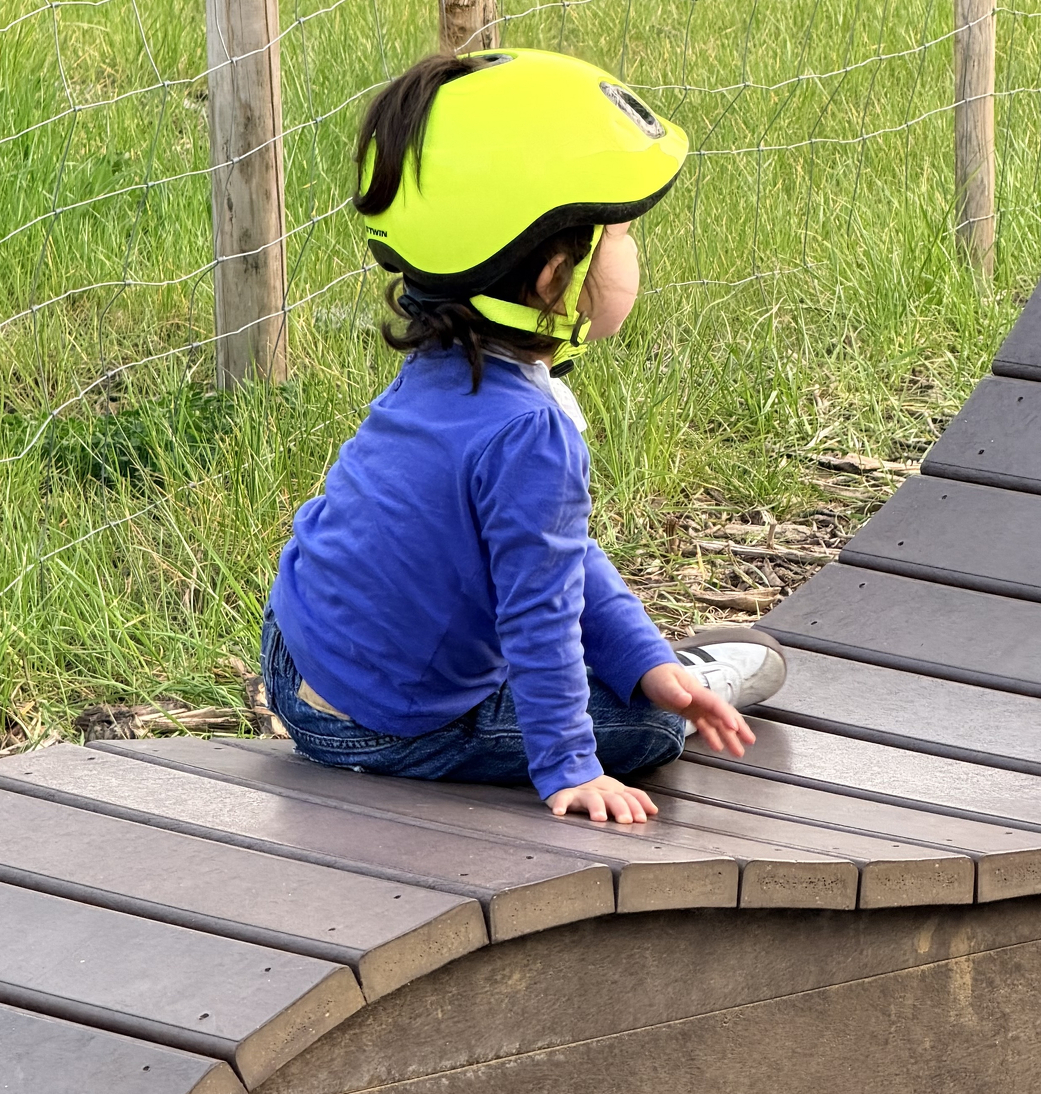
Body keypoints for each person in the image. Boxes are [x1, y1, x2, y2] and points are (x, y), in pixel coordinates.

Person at [262, 47, 789, 822]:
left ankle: (659, 663)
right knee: (648, 729)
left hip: (294, 656)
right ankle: (690, 684)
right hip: (385, 729)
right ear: (553, 279)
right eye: (616, 236)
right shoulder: (533, 430)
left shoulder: (445, 362)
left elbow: (553, 553)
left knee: (604, 659)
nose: (632, 250)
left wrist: (639, 655)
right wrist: (571, 765)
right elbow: (539, 611)